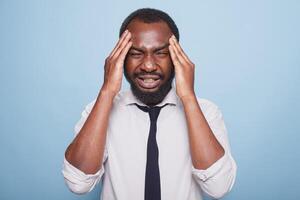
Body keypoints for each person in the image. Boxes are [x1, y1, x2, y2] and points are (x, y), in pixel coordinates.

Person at [62, 8, 237, 200]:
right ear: (120, 58)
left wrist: (188, 97)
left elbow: (218, 187)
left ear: (176, 57)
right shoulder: (99, 110)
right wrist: (107, 92)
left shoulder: (206, 112)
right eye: (136, 54)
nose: (148, 65)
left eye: (160, 53)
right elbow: (78, 183)